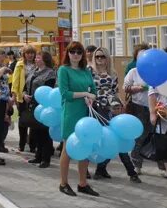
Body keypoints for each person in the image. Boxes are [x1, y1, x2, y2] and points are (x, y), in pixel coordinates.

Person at [90, 47, 140, 182]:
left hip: (112, 108)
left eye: (102, 56)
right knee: (106, 139)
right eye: (97, 56)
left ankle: (105, 170)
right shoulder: (89, 72)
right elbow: (87, 90)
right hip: (96, 109)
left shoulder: (112, 73)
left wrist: (121, 103)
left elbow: (115, 91)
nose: (100, 59)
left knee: (117, 137)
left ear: (107, 58)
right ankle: (126, 171)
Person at [58, 41, 99, 197]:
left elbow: (94, 91)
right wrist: (85, 94)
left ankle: (83, 183)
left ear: (83, 55)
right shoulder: (64, 70)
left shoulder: (86, 71)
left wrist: (91, 97)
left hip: (84, 113)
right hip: (70, 113)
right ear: (67, 53)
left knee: (85, 149)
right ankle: (63, 183)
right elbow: (65, 94)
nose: (75, 54)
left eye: (79, 52)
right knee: (68, 149)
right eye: (72, 51)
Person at [124, 44, 166, 174]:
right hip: (140, 107)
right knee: (141, 136)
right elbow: (125, 87)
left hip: (158, 108)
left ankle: (162, 166)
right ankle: (137, 164)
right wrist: (140, 88)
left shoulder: (157, 69)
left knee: (159, 137)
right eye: (140, 55)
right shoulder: (134, 71)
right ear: (136, 57)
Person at [23, 51, 56, 168]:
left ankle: (45, 159)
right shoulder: (33, 71)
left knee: (45, 133)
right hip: (32, 105)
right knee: (36, 132)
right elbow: (25, 86)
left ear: (45, 59)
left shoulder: (50, 73)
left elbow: (49, 89)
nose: (36, 59)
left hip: (44, 106)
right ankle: (38, 156)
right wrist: (24, 95)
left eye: (38, 57)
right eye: (36, 57)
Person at [11, 45, 37, 152]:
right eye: (28, 53)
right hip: (22, 96)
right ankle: (21, 144)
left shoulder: (37, 64)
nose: (30, 55)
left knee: (34, 122)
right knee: (23, 121)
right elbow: (15, 80)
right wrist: (15, 95)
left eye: (32, 53)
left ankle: (32, 145)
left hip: (35, 96)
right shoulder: (20, 64)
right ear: (24, 54)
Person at [149, 83, 167, 178]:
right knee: (164, 145)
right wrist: (153, 113)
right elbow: (151, 94)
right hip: (163, 118)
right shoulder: (157, 80)